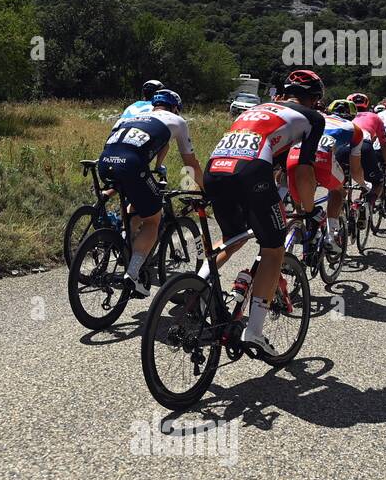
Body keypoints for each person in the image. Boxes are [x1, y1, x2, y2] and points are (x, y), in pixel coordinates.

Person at [203, 69, 326, 356]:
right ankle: (254, 332)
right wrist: (306, 209)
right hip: (251, 172)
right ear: (315, 99)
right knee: (273, 248)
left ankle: (197, 284)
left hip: (216, 168)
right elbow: (303, 170)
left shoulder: (257, 109)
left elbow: (274, 164)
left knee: (233, 237)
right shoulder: (312, 118)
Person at [97, 89, 204, 298]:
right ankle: (133, 273)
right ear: (175, 108)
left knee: (137, 205)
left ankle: (122, 239)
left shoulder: (134, 116)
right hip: (132, 165)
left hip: (105, 162)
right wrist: (204, 187)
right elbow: (190, 164)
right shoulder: (177, 120)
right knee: (154, 219)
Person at [288, 99, 366, 253]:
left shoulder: (315, 116)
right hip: (321, 158)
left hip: (293, 155)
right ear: (353, 115)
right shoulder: (355, 129)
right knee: (339, 190)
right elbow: (356, 170)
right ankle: (331, 235)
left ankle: (295, 231)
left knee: (301, 204)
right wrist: (364, 185)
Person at [348, 92, 386, 209]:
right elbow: (384, 145)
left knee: (338, 185)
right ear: (367, 104)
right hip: (364, 145)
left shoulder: (344, 115)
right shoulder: (374, 117)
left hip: (342, 146)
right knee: (378, 182)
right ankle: (368, 204)